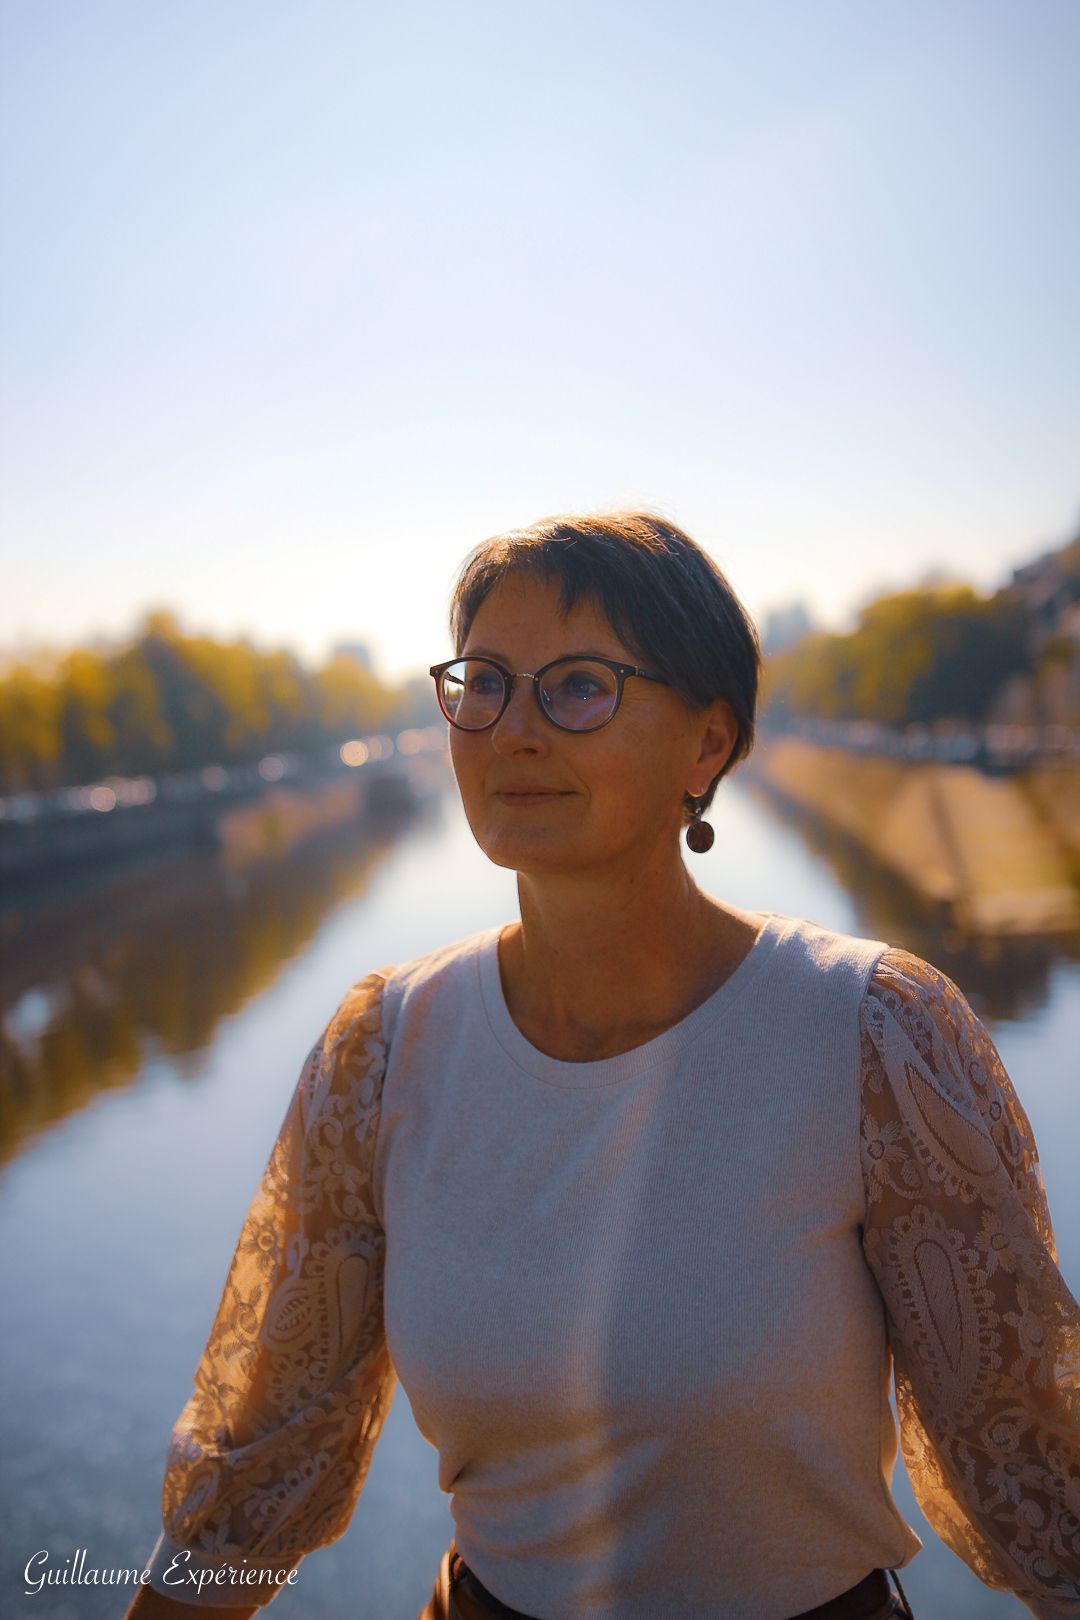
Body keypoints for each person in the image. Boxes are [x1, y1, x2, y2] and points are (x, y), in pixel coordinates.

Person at [126, 511, 1080, 1620]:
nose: (513, 730)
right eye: (483, 683)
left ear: (708, 744)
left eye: (579, 686)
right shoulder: (380, 1050)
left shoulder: (875, 1034)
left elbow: (1037, 1481)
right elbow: (256, 1477)